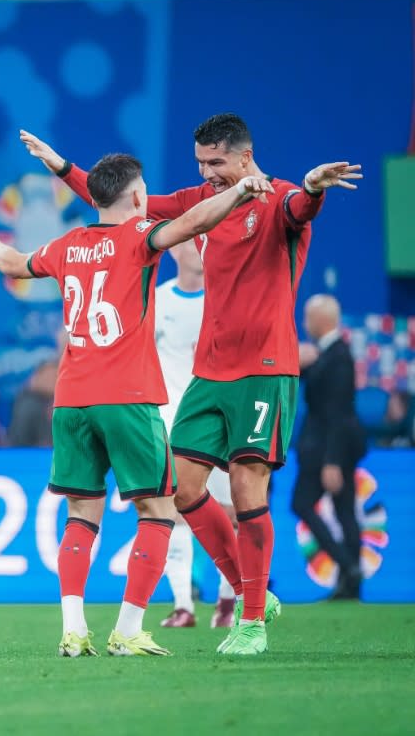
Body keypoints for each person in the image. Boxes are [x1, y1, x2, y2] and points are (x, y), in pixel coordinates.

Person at [21, 114, 361, 655]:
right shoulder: (203, 200)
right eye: (201, 163)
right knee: (182, 490)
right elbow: (119, 205)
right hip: (211, 371)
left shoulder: (280, 200)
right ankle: (253, 591)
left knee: (248, 489)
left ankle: (251, 618)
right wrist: (62, 166)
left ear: (245, 158)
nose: (207, 172)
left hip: (264, 370)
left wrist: (316, 186)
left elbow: (303, 206)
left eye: (216, 163)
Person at [0, 153, 274, 657]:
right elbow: (192, 221)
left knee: (81, 511)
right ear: (138, 197)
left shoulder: (68, 244)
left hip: (71, 398)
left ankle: (73, 631)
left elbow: (14, 264)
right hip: (128, 396)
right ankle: (128, 629)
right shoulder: (140, 235)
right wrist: (241, 190)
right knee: (159, 509)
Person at [153, 240, 237, 629]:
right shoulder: (157, 301)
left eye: (206, 242)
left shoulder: (225, 299)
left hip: (219, 417)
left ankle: (226, 601)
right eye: (191, 243)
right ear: (173, 251)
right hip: (172, 419)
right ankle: (183, 605)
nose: (200, 250)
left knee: (231, 511)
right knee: (176, 508)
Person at [293, 295, 368, 599]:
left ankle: (349, 567)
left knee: (302, 504)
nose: (304, 323)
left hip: (327, 450)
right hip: (330, 448)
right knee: (344, 511)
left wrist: (332, 461)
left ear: (321, 320)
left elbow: (338, 413)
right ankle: (350, 581)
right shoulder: (326, 353)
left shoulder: (338, 356)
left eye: (308, 316)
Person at [6, 359, 56, 448]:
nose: (54, 380)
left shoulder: (49, 402)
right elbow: (20, 441)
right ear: (36, 377)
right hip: (30, 456)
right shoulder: (28, 404)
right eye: (50, 376)